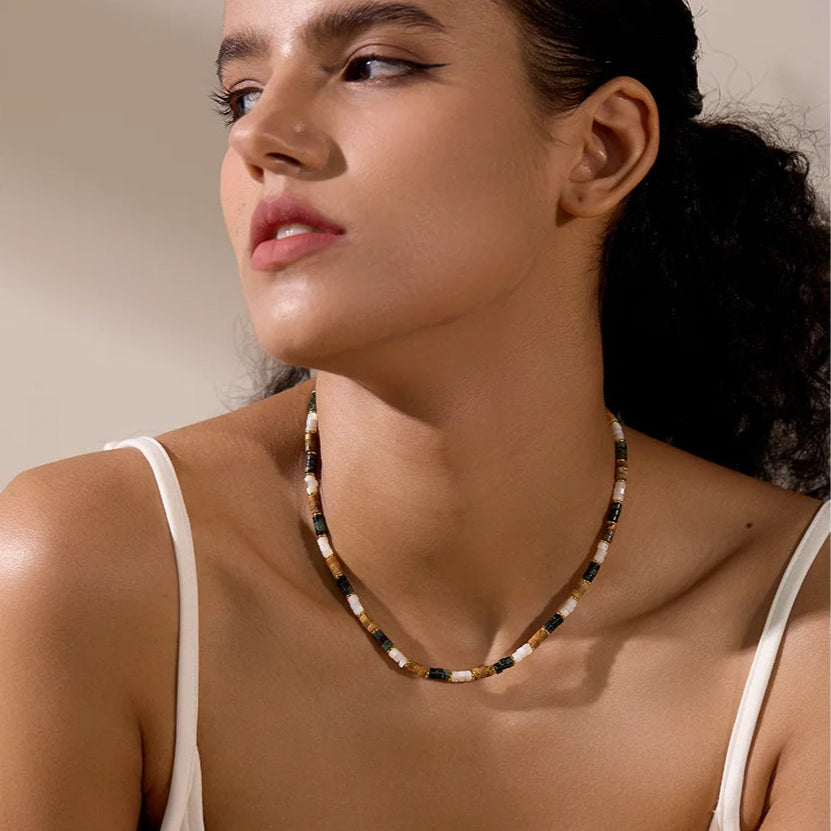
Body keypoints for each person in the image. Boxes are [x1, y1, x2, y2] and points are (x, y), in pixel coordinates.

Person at [0, 0, 828, 828]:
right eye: (243, 93)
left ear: (600, 147)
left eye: (372, 65)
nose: (259, 139)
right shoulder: (87, 569)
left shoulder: (806, 632)